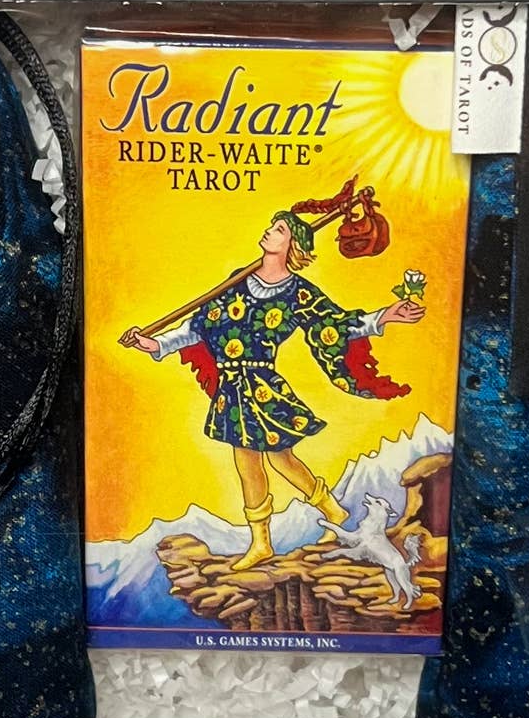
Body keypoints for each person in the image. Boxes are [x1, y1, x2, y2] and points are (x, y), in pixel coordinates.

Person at [125, 210, 425, 568]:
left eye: (279, 229)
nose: (269, 231)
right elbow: (199, 326)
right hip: (232, 388)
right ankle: (287, 530)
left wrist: (381, 317)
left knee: (278, 457)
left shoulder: (298, 293)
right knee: (253, 461)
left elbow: (334, 324)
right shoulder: (239, 281)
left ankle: (293, 528)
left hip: (262, 387)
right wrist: (155, 344)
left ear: (293, 244)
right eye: (272, 226)